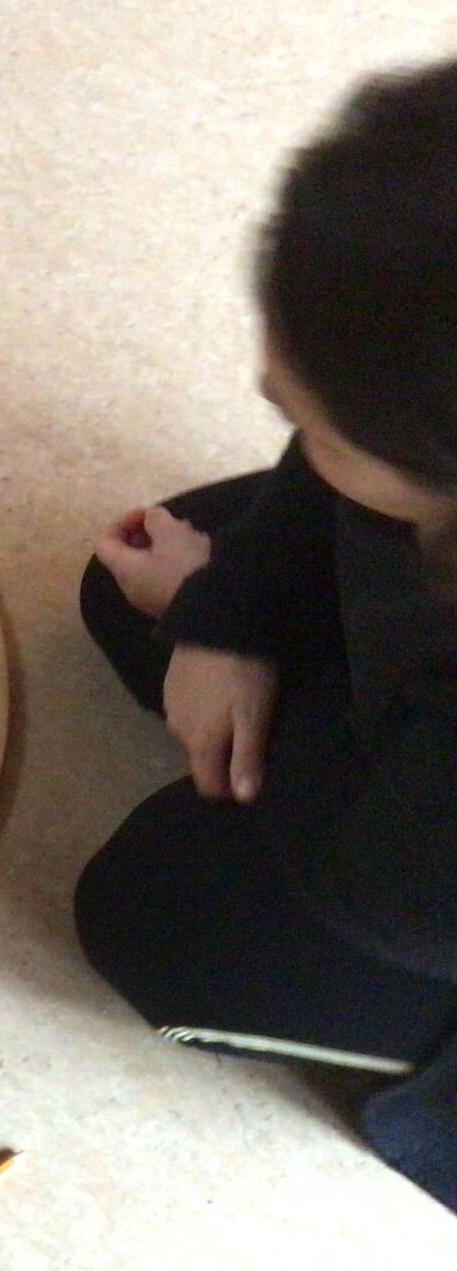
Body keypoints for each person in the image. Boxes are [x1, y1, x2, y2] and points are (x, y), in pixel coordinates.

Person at [76, 59, 457, 1209]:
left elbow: (387, 892)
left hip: (424, 894)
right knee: (145, 574)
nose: (271, 395)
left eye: (308, 412)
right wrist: (230, 617)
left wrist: (232, 655)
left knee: (160, 923)